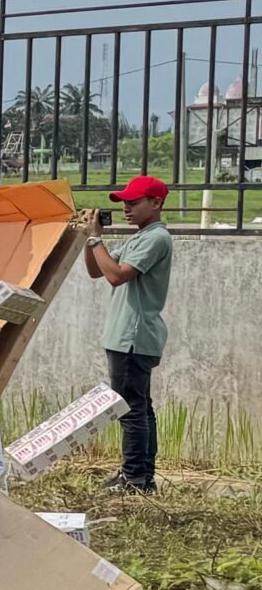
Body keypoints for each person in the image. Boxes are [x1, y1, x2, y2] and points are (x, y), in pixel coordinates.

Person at [86, 175, 174, 495]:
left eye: (134, 202)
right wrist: (89, 239)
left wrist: (97, 241)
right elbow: (97, 269)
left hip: (132, 336)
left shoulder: (156, 238)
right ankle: (142, 477)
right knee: (140, 407)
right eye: (124, 202)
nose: (127, 208)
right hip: (129, 335)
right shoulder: (140, 238)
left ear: (156, 203)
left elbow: (116, 276)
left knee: (130, 408)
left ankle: (134, 478)